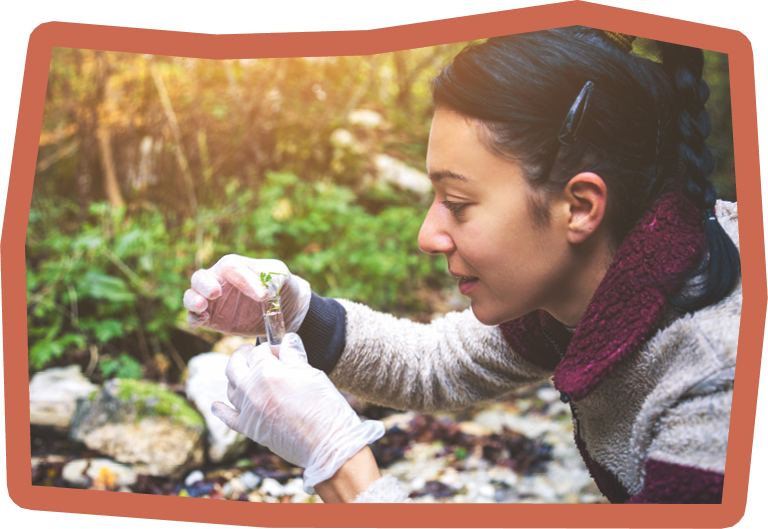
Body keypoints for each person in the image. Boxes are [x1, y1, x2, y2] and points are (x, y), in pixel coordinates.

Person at [183, 27, 741, 503]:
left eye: (457, 203)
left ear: (580, 207)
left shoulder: (719, 382)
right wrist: (294, 311)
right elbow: (435, 365)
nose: (428, 235)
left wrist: (339, 461)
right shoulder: (610, 280)